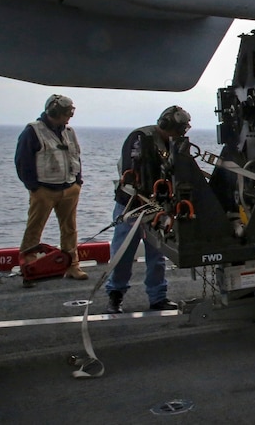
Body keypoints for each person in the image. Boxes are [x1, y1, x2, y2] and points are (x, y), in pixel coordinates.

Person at [104, 106, 191, 313]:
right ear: (166, 125)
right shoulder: (140, 138)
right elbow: (132, 173)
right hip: (132, 205)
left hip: (158, 207)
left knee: (157, 253)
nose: (179, 135)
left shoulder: (174, 144)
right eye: (177, 130)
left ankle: (157, 297)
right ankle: (115, 295)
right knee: (123, 253)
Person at [14, 94, 88, 287]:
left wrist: (77, 182)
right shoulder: (33, 131)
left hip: (69, 188)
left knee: (70, 229)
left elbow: (76, 157)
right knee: (34, 230)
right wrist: (34, 188)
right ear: (54, 112)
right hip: (44, 190)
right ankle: (29, 270)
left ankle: (72, 266)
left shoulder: (69, 132)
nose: (69, 117)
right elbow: (22, 161)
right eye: (66, 113)